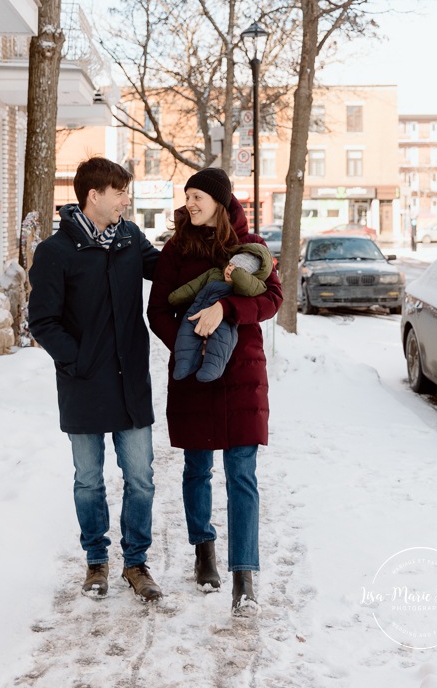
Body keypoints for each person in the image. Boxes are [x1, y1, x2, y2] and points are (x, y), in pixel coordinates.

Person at [147, 167, 282, 616]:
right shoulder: (175, 249)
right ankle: (204, 549)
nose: (190, 203)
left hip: (242, 373)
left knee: (242, 474)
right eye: (187, 196)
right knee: (196, 467)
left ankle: (244, 576)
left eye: (198, 196)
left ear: (220, 202)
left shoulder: (252, 248)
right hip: (193, 375)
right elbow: (157, 311)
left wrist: (225, 309)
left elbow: (272, 299)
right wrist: (191, 341)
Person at [28, 157, 162, 603]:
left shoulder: (129, 238)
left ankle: (136, 563)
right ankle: (96, 562)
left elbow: (164, 271)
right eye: (121, 192)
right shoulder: (55, 252)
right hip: (84, 383)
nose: (127, 200)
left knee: (140, 477)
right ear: (94, 196)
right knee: (89, 479)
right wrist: (78, 360)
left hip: (129, 381)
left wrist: (217, 254)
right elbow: (42, 321)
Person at [169, 242, 274, 382]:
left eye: (238, 268)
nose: (231, 269)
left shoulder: (248, 286)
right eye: (230, 264)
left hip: (224, 321)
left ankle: (212, 368)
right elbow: (193, 287)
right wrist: (176, 296)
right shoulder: (214, 273)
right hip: (196, 311)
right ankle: (183, 364)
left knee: (221, 342)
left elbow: (251, 288)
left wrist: (237, 274)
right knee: (185, 334)